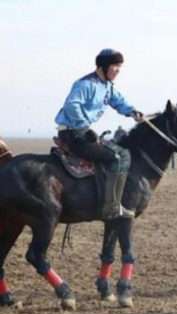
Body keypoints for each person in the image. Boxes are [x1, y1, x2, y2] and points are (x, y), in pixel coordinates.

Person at [55, 48, 143, 219]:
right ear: (103, 66)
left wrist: (133, 112)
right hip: (74, 133)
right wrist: (84, 127)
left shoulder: (107, 87)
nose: (118, 70)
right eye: (115, 66)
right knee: (119, 157)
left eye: (120, 67)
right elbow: (72, 105)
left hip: (82, 132)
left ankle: (114, 203)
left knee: (122, 154)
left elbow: (119, 101)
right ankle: (111, 207)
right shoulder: (85, 84)